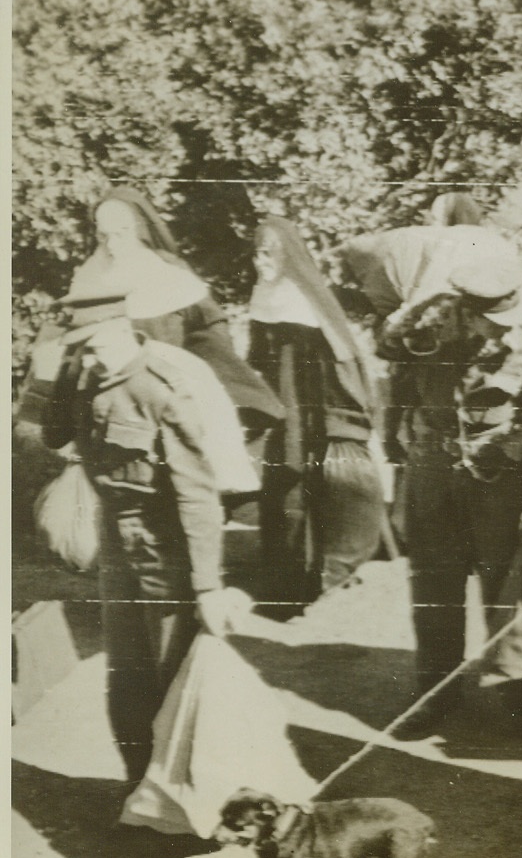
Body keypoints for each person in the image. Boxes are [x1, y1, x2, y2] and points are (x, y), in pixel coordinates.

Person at [42, 282, 246, 785]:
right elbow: (53, 434)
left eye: (93, 344)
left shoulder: (161, 386)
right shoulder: (87, 379)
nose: (88, 355)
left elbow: (198, 493)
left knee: (171, 677)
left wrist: (207, 587)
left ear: (121, 328)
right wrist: (65, 371)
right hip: (117, 543)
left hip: (165, 550)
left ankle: (184, 801)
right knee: (126, 677)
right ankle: (140, 792)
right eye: (80, 347)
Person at [378, 250, 522, 734]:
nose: (499, 328)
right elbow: (396, 378)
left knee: (503, 589)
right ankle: (434, 695)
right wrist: (398, 448)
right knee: (433, 590)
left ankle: (512, 692)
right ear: (466, 308)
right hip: (433, 476)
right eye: (489, 319)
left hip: (497, 482)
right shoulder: (428, 333)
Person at [248, 216, 385, 603]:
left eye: (269, 253)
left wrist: (338, 420)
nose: (261, 262)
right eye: (257, 253)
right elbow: (258, 357)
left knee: (310, 487)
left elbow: (341, 364)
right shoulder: (264, 293)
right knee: (277, 488)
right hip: (280, 409)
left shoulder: (306, 300)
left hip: (313, 413)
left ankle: (312, 580)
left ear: (287, 255)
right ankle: (282, 577)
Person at [88, 187, 284, 433]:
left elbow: (211, 327)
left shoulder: (169, 271)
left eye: (122, 232)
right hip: (115, 400)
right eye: (103, 235)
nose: (112, 244)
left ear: (141, 228)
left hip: (175, 393)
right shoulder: (94, 278)